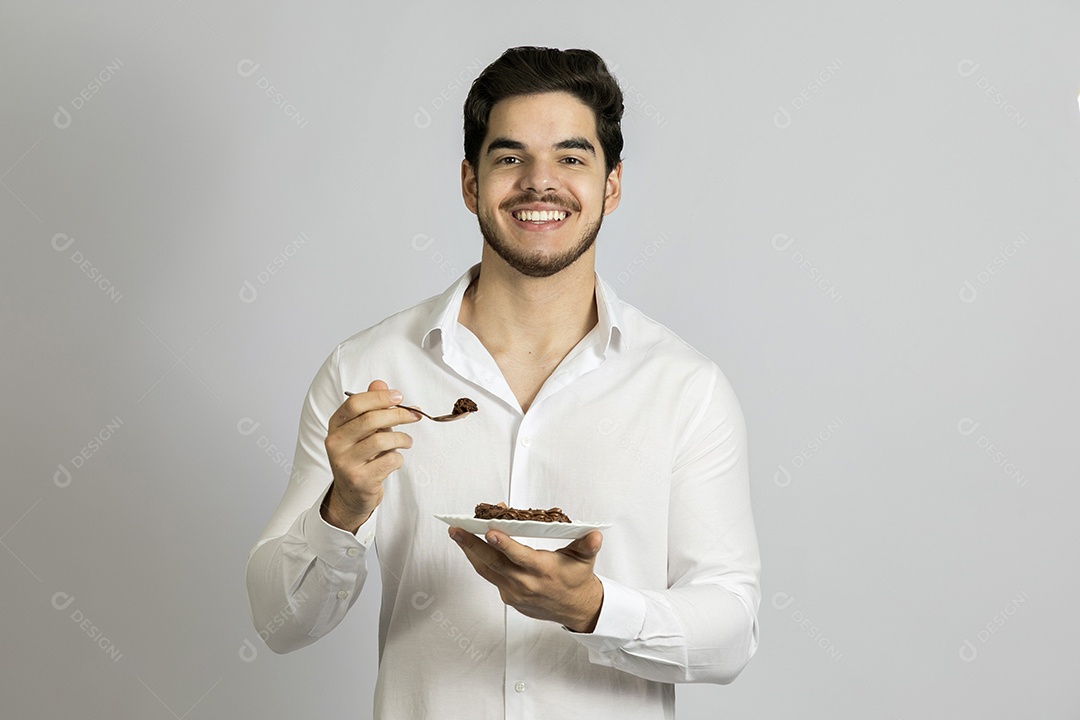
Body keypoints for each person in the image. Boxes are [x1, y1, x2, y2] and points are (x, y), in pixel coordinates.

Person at [246, 46, 761, 719]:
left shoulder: (685, 389)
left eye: (572, 158)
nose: (539, 182)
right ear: (470, 183)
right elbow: (281, 624)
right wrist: (341, 510)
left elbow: (731, 629)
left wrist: (595, 609)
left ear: (611, 186)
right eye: (510, 157)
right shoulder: (368, 372)